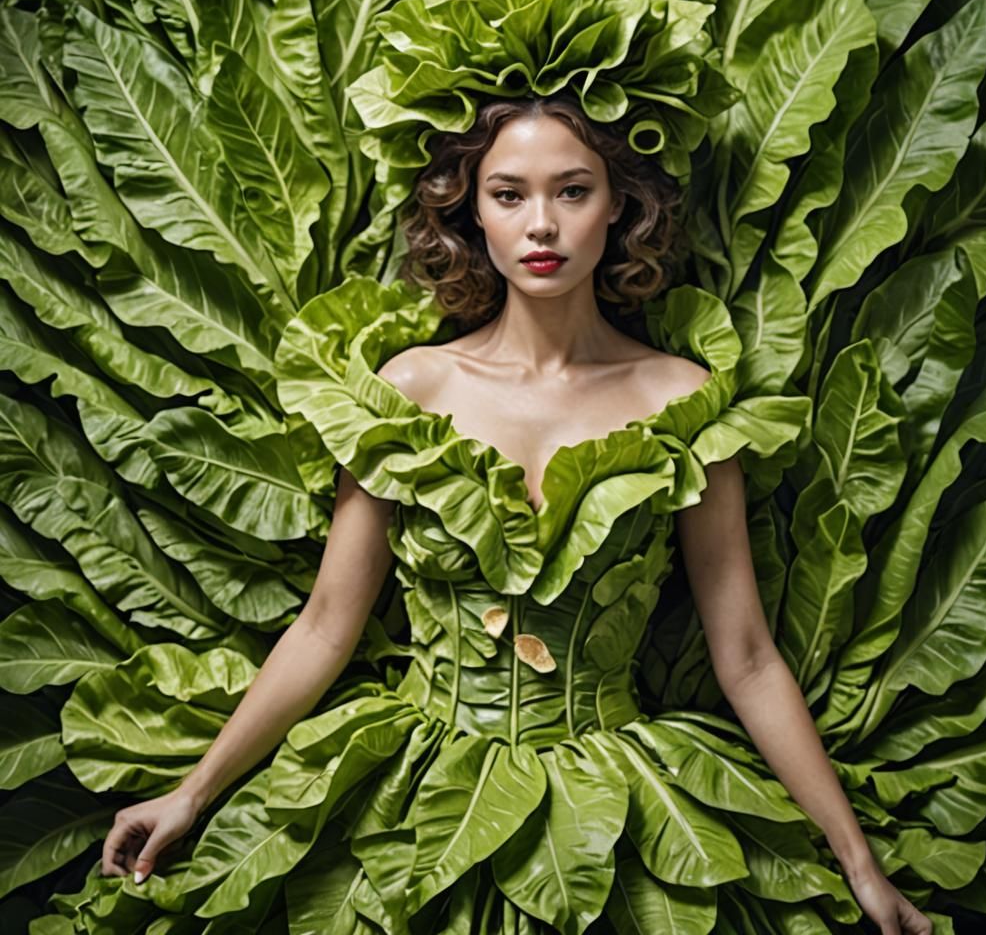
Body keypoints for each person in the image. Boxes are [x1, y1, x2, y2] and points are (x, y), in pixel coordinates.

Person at [99, 92, 933, 935]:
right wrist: (192, 793)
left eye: (572, 191)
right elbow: (324, 628)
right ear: (472, 214)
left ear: (619, 209)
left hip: (622, 800)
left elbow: (747, 657)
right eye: (509, 195)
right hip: (413, 785)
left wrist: (859, 863)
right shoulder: (409, 391)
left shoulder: (680, 398)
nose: (542, 225)